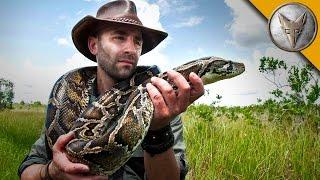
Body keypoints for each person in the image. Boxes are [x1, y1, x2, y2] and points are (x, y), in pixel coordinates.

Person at [18, 0, 204, 179]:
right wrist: (51, 172)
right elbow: (28, 171)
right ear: (94, 45)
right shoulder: (67, 97)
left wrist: (158, 131)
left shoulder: (162, 101)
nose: (131, 49)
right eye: (119, 37)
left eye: (137, 41)